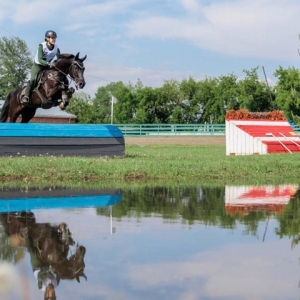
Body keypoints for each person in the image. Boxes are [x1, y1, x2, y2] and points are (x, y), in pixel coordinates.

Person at [21, 30, 60, 104]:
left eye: (54, 38)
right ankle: (26, 96)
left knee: (55, 79)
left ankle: (57, 96)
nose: (54, 39)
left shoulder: (56, 48)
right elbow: (40, 59)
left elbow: (59, 58)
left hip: (47, 67)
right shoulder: (42, 46)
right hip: (38, 65)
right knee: (32, 79)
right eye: (52, 38)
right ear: (47, 39)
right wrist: (49, 63)